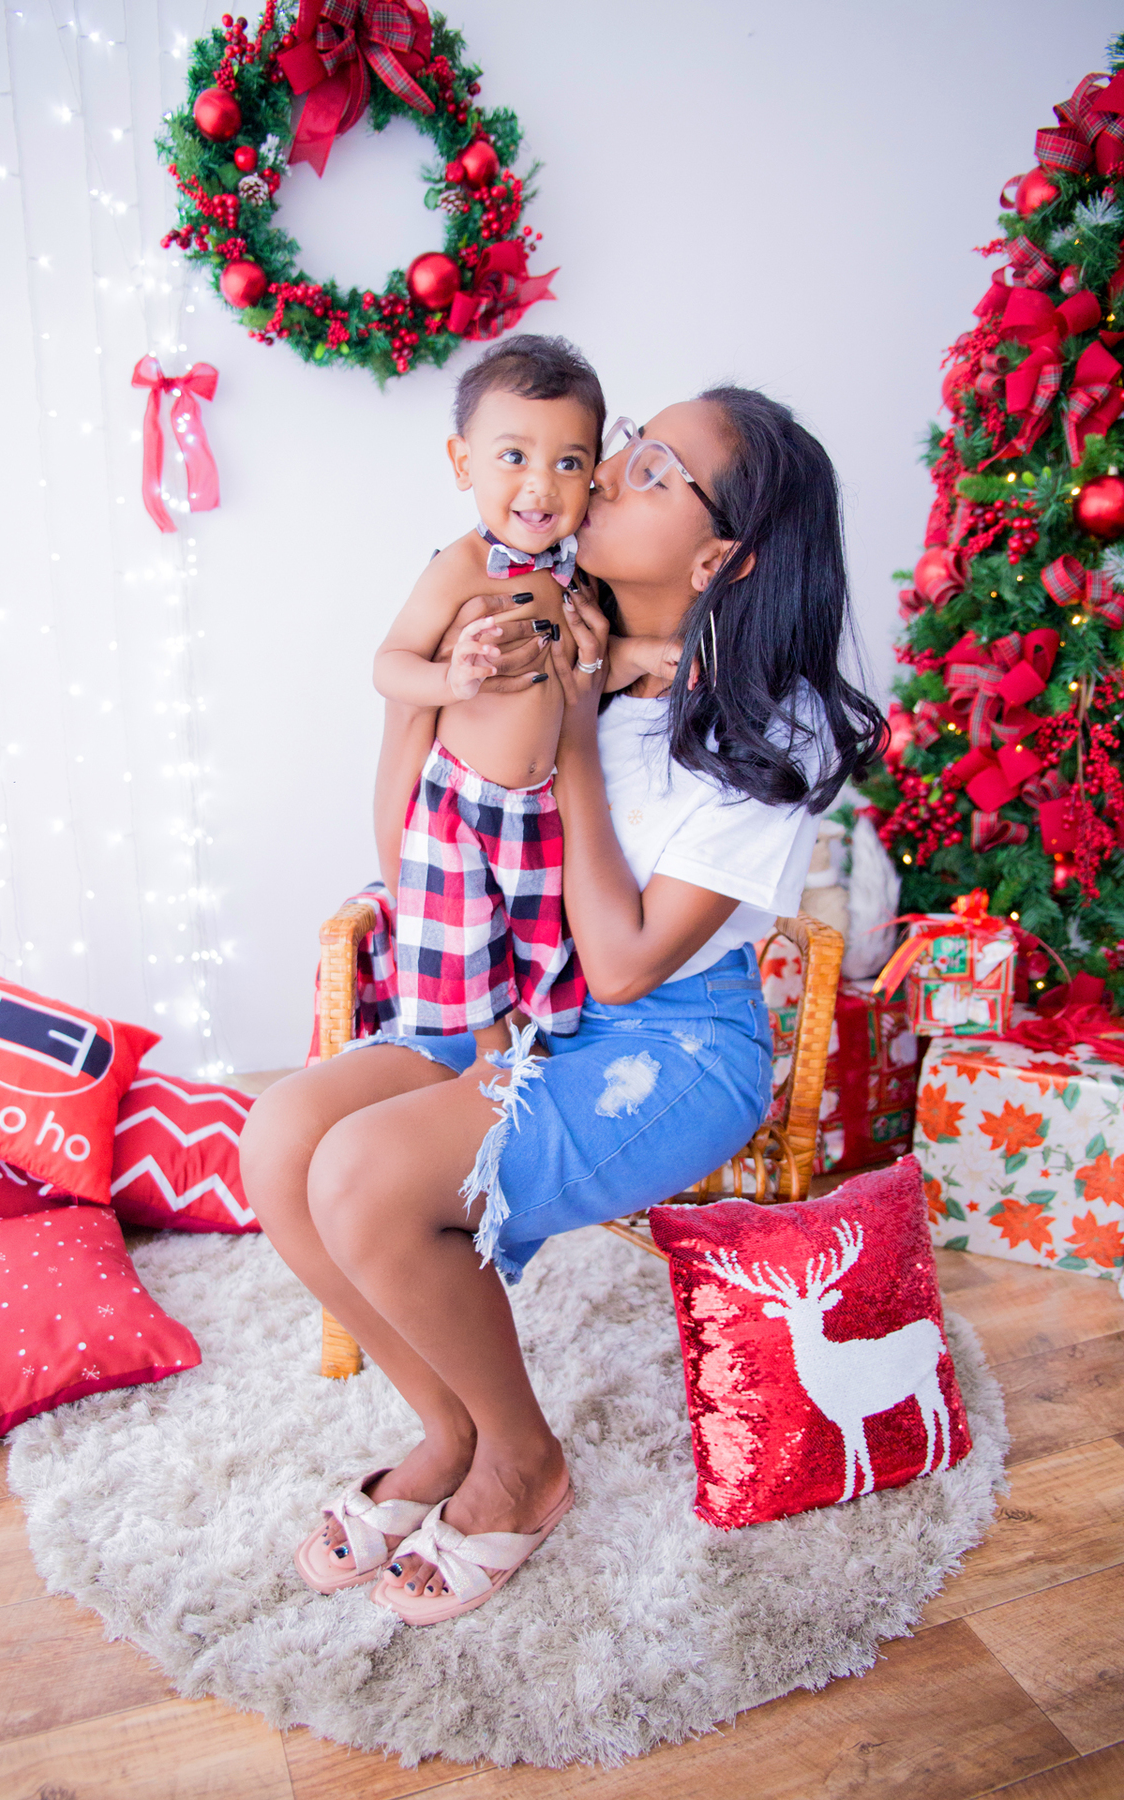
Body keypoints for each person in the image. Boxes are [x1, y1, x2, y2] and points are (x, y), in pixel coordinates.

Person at [239, 383, 886, 1626]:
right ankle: (448, 1431)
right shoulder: (528, 616)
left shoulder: (767, 722)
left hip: (666, 1042)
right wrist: (431, 703)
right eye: (630, 444)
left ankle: (526, 1468)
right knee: (280, 1140)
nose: (609, 470)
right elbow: (407, 803)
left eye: (653, 469)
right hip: (515, 1000)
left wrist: (581, 734)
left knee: (366, 1176)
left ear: (720, 556)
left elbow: (630, 960)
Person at [372, 335, 679, 1057]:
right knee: (469, 933)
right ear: (462, 462)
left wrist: (649, 654)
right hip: (461, 805)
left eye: (568, 463)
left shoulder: (578, 577)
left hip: (540, 801)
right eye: (514, 457)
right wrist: (450, 680)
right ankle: (486, 1057)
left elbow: (586, 667)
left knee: (538, 930)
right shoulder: (461, 568)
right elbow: (389, 665)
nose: (541, 486)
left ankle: (535, 1042)